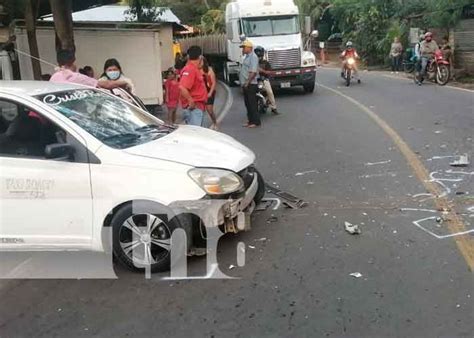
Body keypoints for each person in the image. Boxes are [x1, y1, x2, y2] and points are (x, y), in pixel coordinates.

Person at [50, 49, 127, 90]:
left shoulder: (54, 77)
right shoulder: (75, 77)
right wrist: (125, 83)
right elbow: (106, 85)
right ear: (72, 61)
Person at [179, 46, 208, 127]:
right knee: (195, 133)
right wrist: (190, 100)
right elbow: (182, 87)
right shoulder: (190, 69)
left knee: (195, 133)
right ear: (200, 57)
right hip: (194, 108)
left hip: (196, 108)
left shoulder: (193, 69)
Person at [239, 40, 261, 128]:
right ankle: (250, 120)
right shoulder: (247, 57)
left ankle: (256, 122)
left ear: (249, 48)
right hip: (246, 84)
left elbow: (253, 72)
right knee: (247, 103)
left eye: (244, 47)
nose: (242, 49)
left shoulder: (253, 57)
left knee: (252, 103)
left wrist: (247, 82)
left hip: (251, 84)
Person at [255, 46, 279, 115]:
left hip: (264, 80)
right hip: (254, 80)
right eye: (257, 55)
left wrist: (262, 71)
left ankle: (273, 108)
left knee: (270, 92)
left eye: (259, 55)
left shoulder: (266, 63)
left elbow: (270, 72)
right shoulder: (252, 63)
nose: (258, 57)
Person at [201, 57, 219, 130]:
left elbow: (214, 82)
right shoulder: (196, 70)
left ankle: (215, 122)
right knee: (200, 111)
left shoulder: (209, 69)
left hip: (209, 91)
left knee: (209, 110)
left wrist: (210, 93)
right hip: (201, 92)